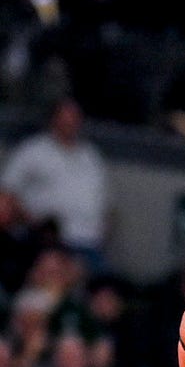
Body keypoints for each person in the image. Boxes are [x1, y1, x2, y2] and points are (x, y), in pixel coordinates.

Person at [0, 100, 109, 255]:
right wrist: (34, 224)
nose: (70, 123)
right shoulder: (32, 150)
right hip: (49, 244)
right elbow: (7, 193)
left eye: (74, 118)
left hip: (90, 243)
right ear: (54, 119)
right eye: (66, 117)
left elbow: (103, 200)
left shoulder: (91, 155)